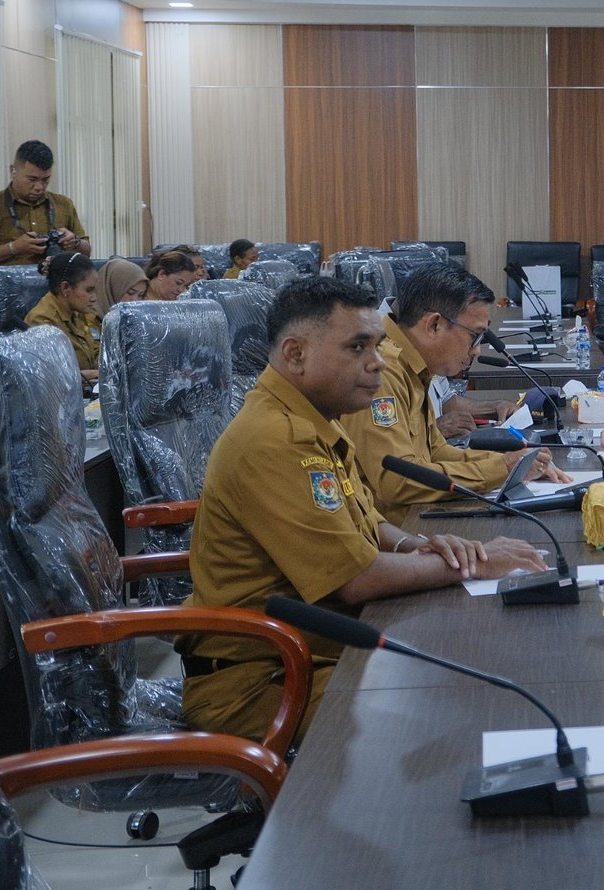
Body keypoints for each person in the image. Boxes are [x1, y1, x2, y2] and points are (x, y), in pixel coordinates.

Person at [179, 277, 547, 744]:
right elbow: (356, 578)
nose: (378, 362)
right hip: (262, 680)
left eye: (375, 345)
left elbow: (369, 518)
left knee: (470, 670)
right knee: (453, 707)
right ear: (295, 354)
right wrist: (473, 562)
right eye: (357, 347)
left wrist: (421, 545)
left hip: (320, 650)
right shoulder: (275, 439)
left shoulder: (316, 420)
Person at [342, 261, 571, 525]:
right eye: (475, 336)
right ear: (434, 325)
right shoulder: (383, 371)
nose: (477, 351)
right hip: (395, 533)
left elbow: (436, 452)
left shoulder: (413, 366)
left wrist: (515, 465)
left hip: (417, 522)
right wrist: (503, 467)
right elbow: (397, 482)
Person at [0, 140, 89, 266]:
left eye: (45, 180)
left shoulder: (63, 204)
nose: (39, 187)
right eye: (32, 179)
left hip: (56, 277)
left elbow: (87, 252)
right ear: (13, 171)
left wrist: (75, 242)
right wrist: (14, 248)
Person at [24, 252, 101, 382]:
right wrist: (94, 374)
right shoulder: (41, 321)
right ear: (65, 288)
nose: (94, 297)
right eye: (89, 290)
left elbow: (94, 353)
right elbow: (51, 378)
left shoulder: (78, 311)